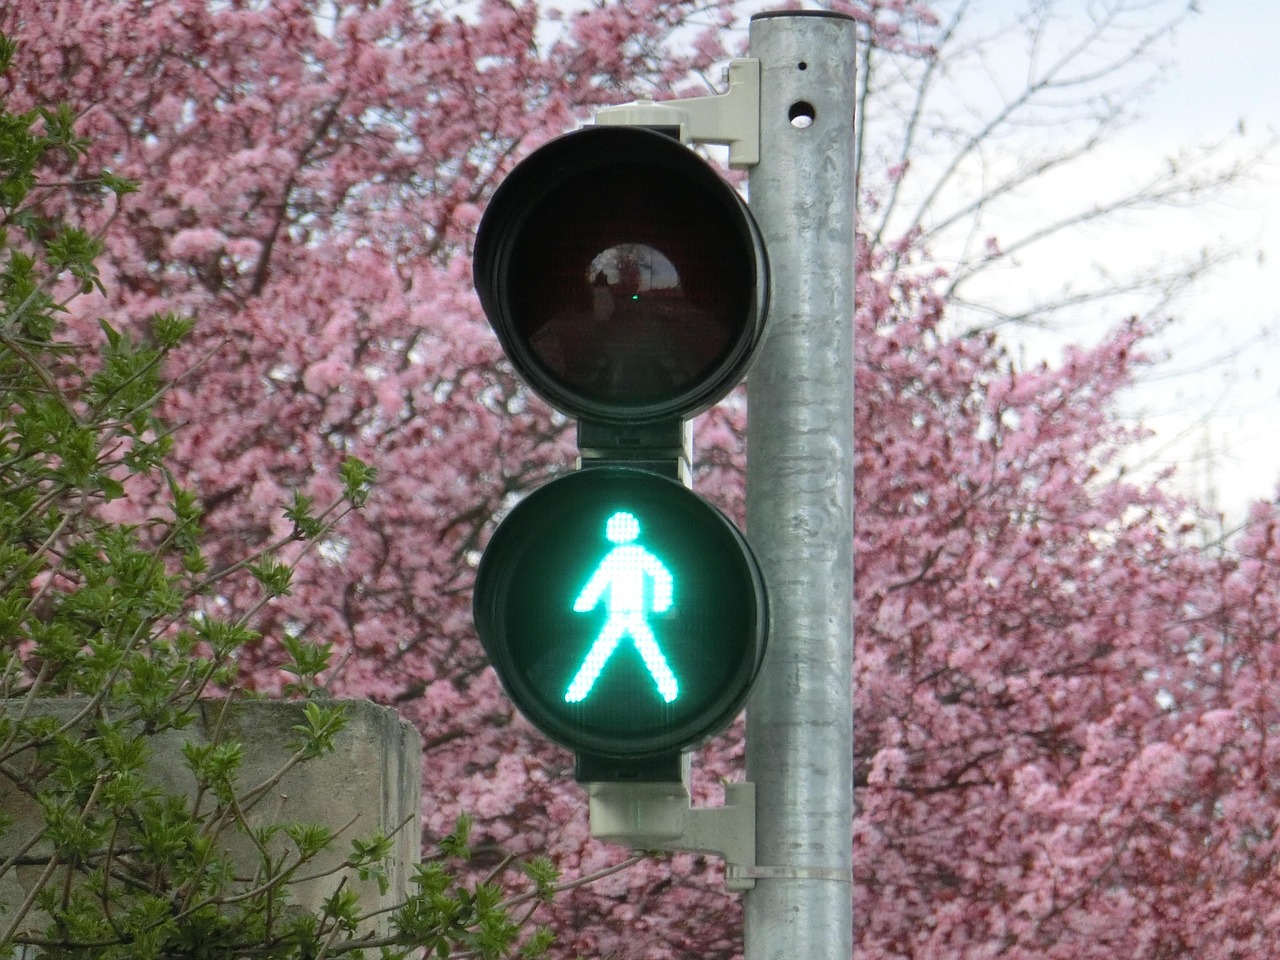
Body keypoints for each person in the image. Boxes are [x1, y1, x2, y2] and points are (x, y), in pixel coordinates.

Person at [565, 511, 678, 704]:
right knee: (641, 654)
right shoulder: (622, 557)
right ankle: (670, 692)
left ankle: (576, 694)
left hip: (631, 615)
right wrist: (585, 602)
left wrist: (584, 603)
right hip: (621, 615)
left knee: (605, 654)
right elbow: (598, 581)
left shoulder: (628, 557)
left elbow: (662, 576)